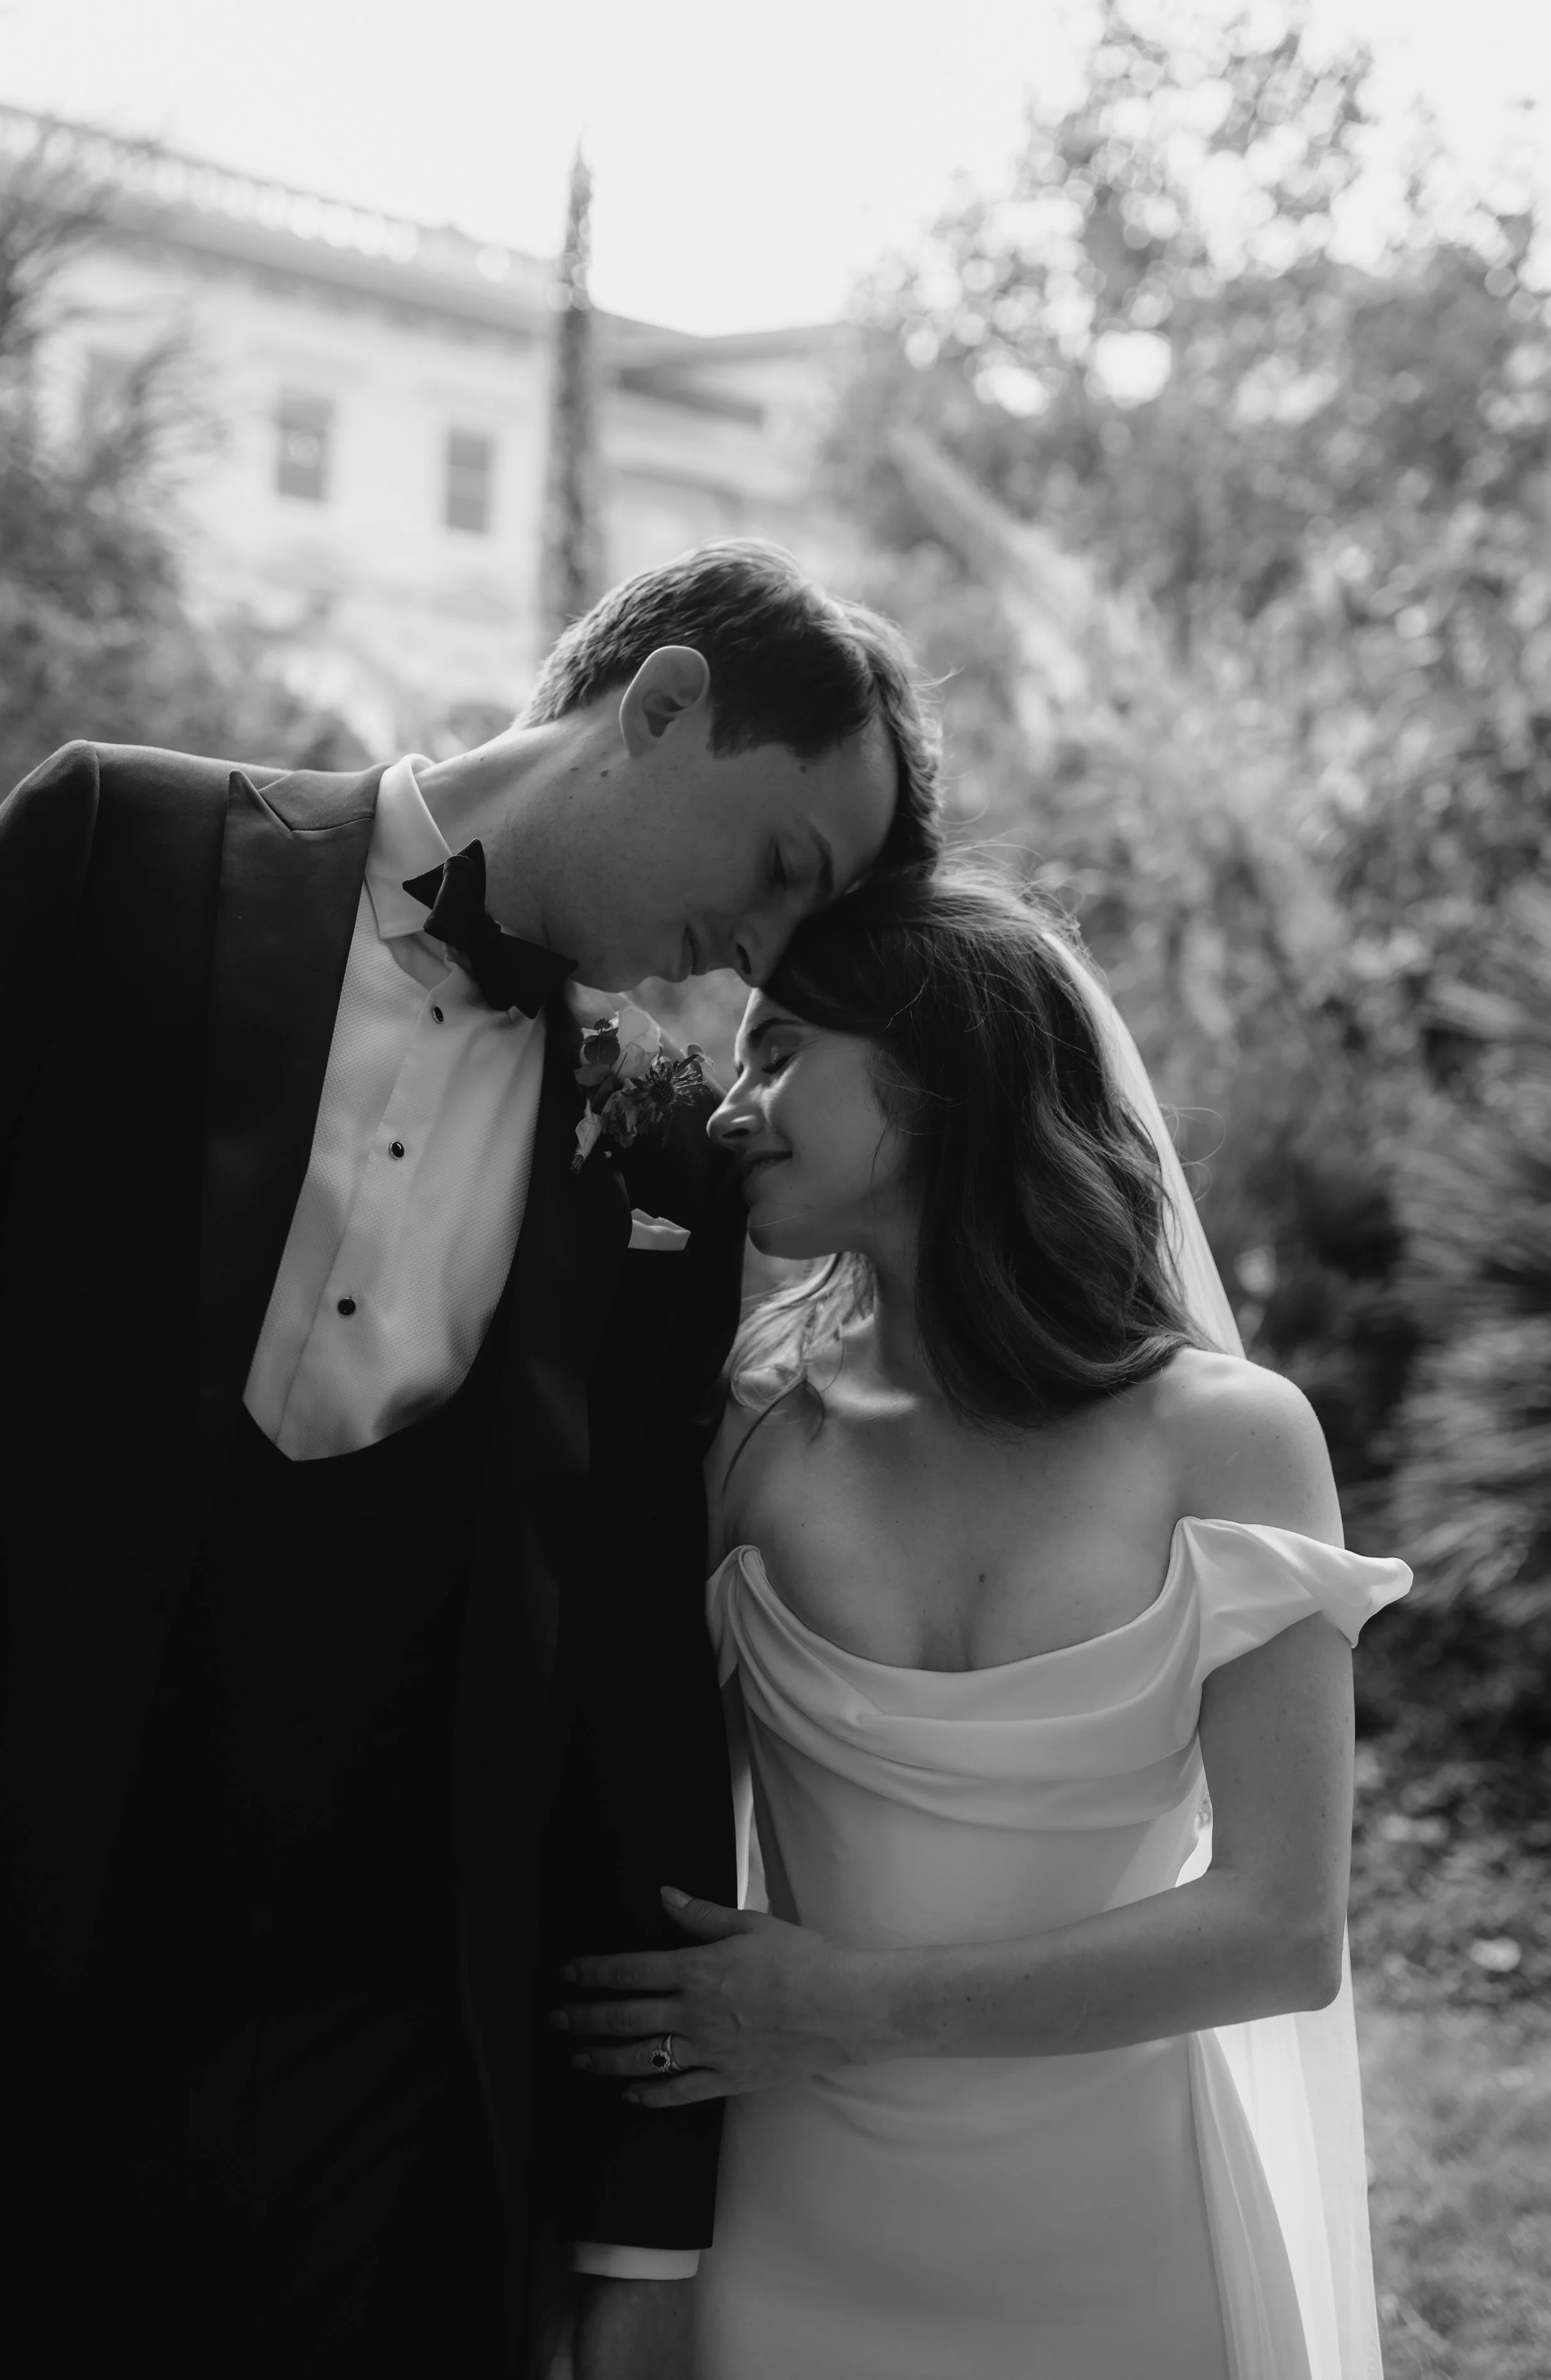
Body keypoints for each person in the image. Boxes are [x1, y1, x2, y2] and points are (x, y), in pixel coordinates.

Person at [0, 541, 941, 2378]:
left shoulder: (666, 1156)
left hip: (383, 2033)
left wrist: (641, 2213)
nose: (755, 948)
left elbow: (638, 1664)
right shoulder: (117, 848)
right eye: (775, 868)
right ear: (658, 705)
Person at [554, 863, 1411, 2380]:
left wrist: (845, 2004)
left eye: (778, 1052)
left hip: (1128, 2260)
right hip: (787, 2240)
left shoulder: (1229, 1439)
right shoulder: (743, 1425)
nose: (731, 1107)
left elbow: (1280, 1933)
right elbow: (630, 1827)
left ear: (941, 1076)